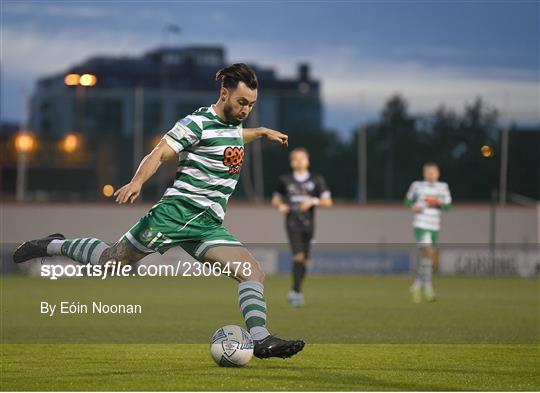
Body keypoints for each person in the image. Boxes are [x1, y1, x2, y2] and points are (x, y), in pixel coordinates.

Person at [13, 63, 305, 359]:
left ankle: (261, 340)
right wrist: (137, 182)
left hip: (206, 224)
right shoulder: (197, 122)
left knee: (252, 272)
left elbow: (232, 137)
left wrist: (262, 132)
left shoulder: (234, 124)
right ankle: (50, 244)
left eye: (251, 105)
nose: (246, 110)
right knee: (110, 261)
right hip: (174, 215)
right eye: (242, 102)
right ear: (224, 93)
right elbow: (159, 153)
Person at [271, 148, 332, 307]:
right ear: (292, 162)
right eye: (296, 159)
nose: (299, 161)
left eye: (303, 158)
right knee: (298, 256)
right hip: (293, 223)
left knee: (304, 260)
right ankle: (296, 293)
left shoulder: (317, 180)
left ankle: (296, 290)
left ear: (308, 161)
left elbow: (328, 201)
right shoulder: (285, 180)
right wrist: (281, 206)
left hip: (309, 225)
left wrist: (313, 201)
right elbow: (276, 199)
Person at [404, 162, 452, 303]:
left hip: (434, 226)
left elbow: (448, 206)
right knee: (428, 253)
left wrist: (437, 202)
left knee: (427, 259)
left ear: (438, 173)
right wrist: (413, 206)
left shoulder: (443, 187)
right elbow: (407, 200)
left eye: (433, 172)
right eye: (428, 172)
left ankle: (416, 285)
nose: (431, 174)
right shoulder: (417, 185)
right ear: (424, 173)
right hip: (421, 224)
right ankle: (428, 288)